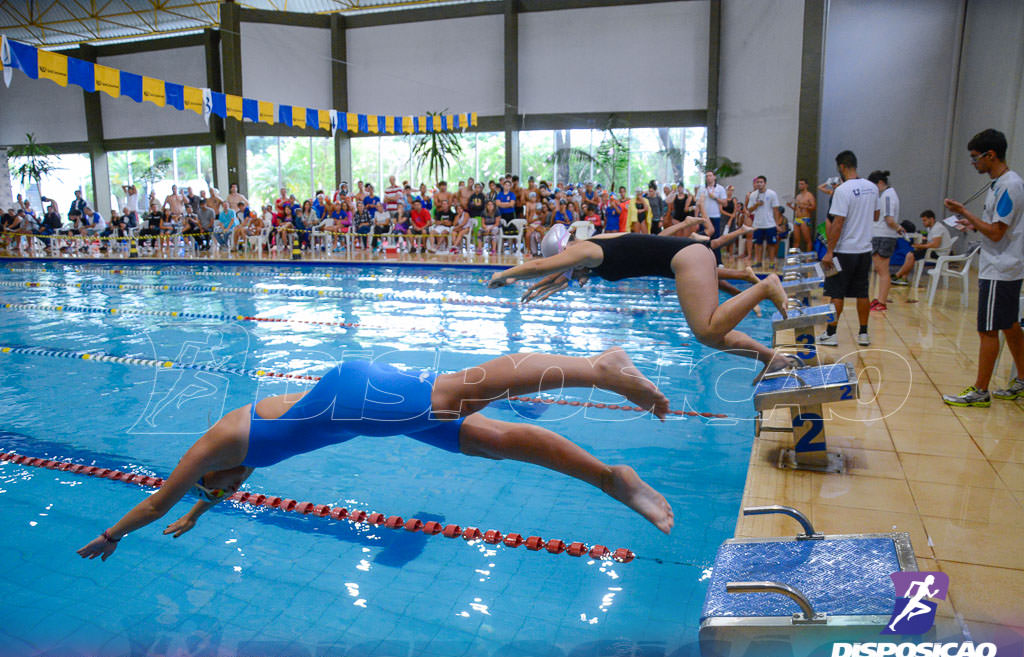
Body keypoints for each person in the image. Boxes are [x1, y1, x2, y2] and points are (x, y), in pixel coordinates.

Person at [76, 348, 675, 562]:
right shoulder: (233, 458)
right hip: (358, 410)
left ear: (212, 473)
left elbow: (157, 501)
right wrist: (200, 512)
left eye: (218, 490)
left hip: (354, 399)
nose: (231, 489)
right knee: (490, 441)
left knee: (457, 393)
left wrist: (114, 533)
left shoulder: (218, 445)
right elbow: (203, 493)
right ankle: (610, 479)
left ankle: (600, 368)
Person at [488, 225, 793, 379]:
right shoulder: (596, 248)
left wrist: (507, 275)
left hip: (687, 259)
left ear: (565, 252)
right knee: (714, 337)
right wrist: (541, 287)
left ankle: (766, 287)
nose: (570, 272)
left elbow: (543, 267)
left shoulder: (587, 250)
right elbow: (554, 276)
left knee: (706, 329)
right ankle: (772, 359)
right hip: (687, 256)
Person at [942, 129, 1024, 407]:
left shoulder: (1009, 186)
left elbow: (998, 232)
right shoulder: (1000, 184)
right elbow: (996, 227)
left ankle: (980, 391)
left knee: (988, 330)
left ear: (991, 155)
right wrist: (971, 223)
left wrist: (965, 213)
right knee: (1010, 326)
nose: (974, 163)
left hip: (999, 270)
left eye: (976, 158)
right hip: (1005, 266)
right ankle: (1023, 380)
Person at [819, 150, 878, 347]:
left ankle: (831, 333)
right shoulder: (872, 188)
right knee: (862, 292)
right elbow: (876, 216)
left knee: (836, 292)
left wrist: (829, 252)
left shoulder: (842, 190)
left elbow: (838, 223)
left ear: (842, 167)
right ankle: (863, 333)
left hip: (844, 250)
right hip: (864, 250)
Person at [868, 170, 903, 312]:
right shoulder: (886, 195)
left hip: (884, 236)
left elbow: (889, 219)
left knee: (883, 271)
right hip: (880, 235)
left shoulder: (889, 196)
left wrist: (899, 228)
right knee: (879, 269)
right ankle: (878, 298)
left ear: (880, 183)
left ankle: (882, 301)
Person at [892, 211, 951, 285]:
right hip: (934, 251)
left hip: (939, 253)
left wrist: (919, 246)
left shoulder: (937, 228)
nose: (923, 223)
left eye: (925, 220)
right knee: (912, 254)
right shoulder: (931, 228)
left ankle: (897, 275)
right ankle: (903, 278)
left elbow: (935, 245)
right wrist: (920, 246)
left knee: (911, 255)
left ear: (931, 219)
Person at [747, 176, 782, 269]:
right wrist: (756, 204)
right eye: (757, 182)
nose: (759, 184)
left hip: (770, 224)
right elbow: (749, 209)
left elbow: (776, 210)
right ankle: (758, 261)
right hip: (758, 224)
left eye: (761, 182)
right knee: (758, 244)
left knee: (771, 244)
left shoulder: (772, 194)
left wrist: (777, 224)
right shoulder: (753, 195)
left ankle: (771, 262)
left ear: (765, 183)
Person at [787, 179, 817, 253]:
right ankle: (794, 257)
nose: (800, 186)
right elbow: (797, 209)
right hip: (797, 219)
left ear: (806, 185)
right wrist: (790, 206)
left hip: (805, 219)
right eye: (799, 184)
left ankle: (808, 257)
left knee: (807, 240)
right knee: (796, 240)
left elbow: (813, 207)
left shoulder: (809, 195)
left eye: (802, 184)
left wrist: (805, 207)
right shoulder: (798, 196)